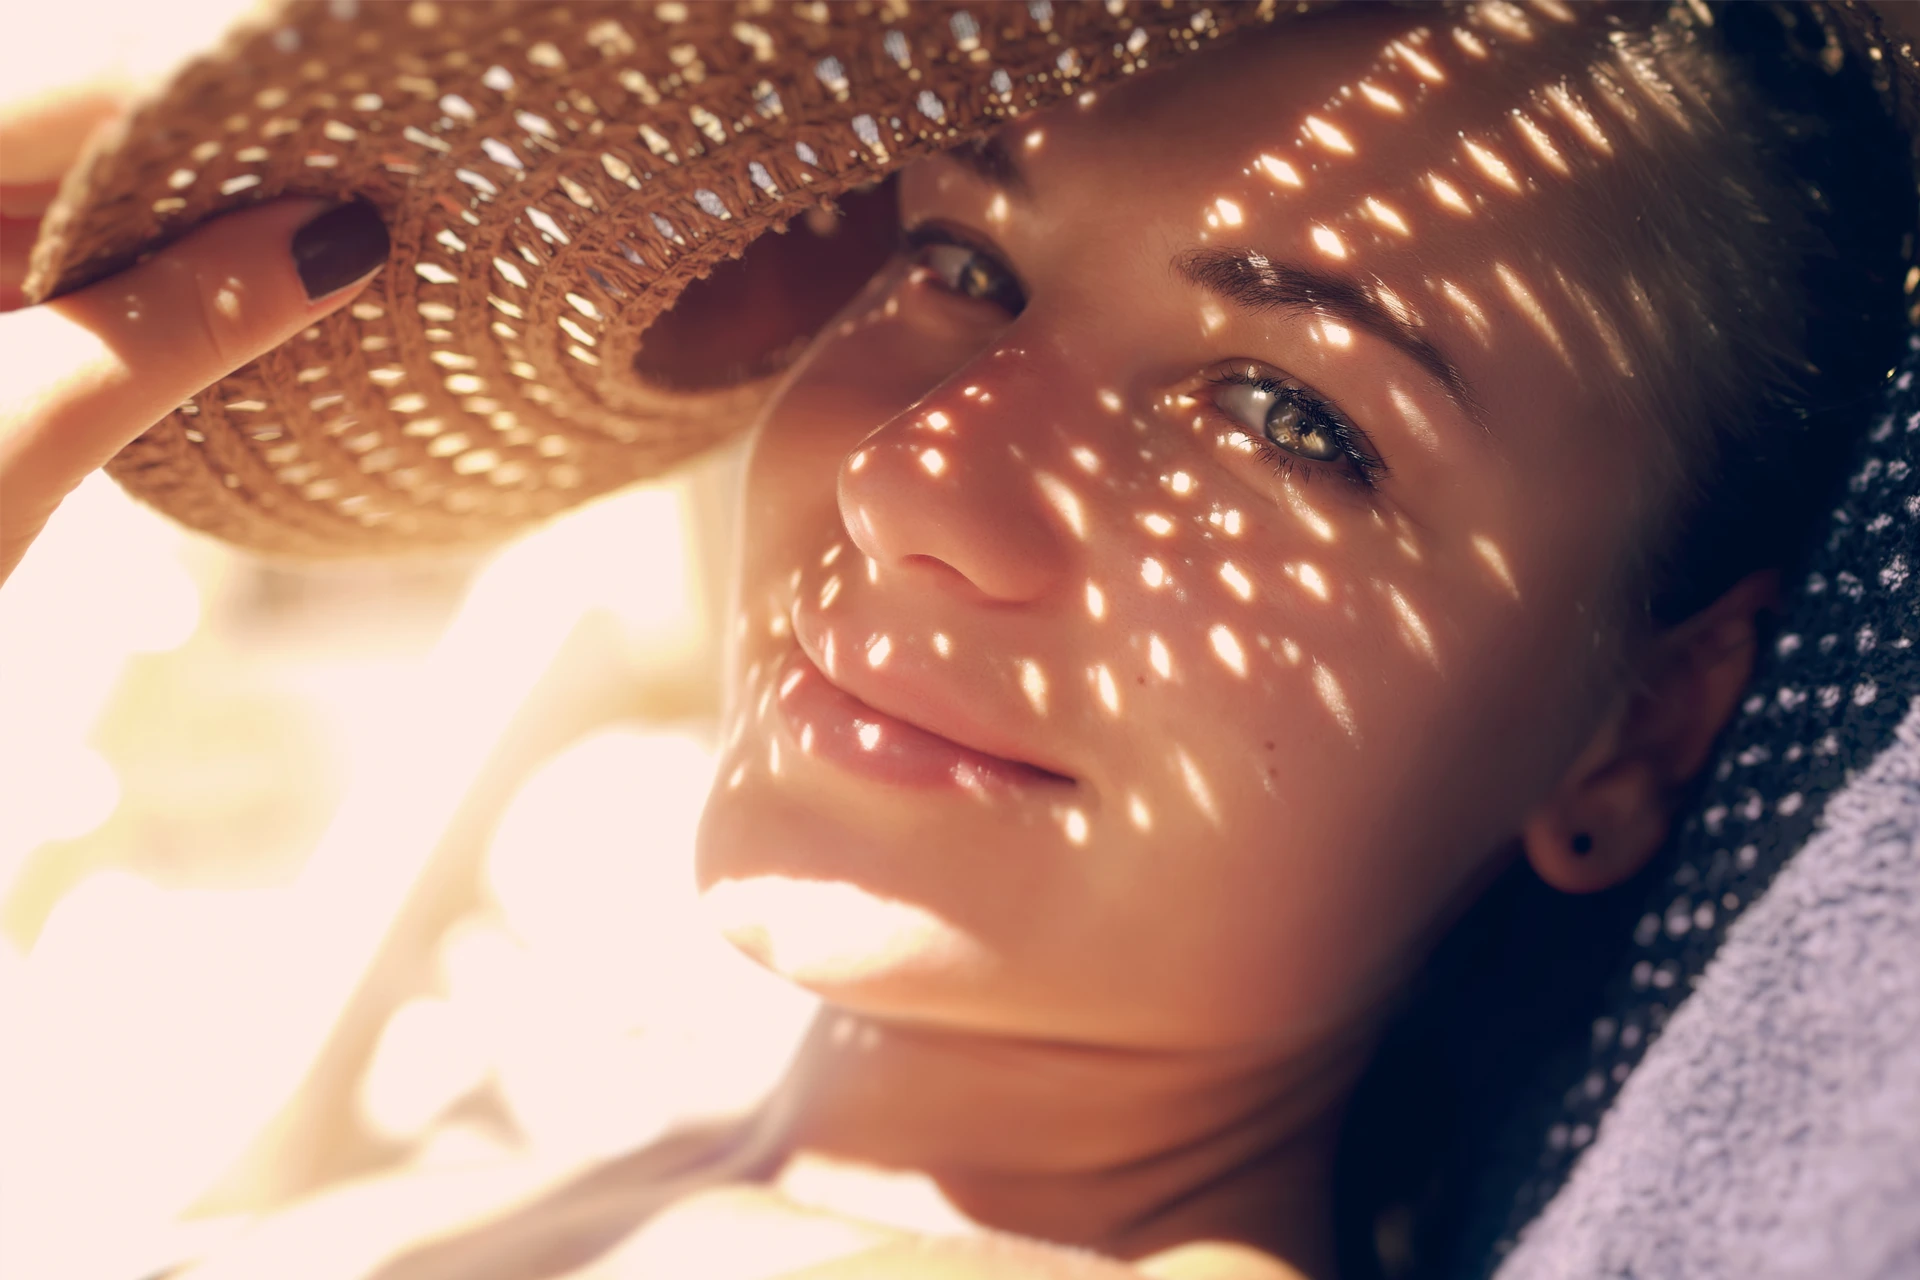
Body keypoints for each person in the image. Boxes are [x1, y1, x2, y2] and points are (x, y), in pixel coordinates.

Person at [1, 3, 1910, 1277]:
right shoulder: (649, 1182)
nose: (920, 483)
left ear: (1644, 726)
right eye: (961, 265)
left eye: (1290, 416)